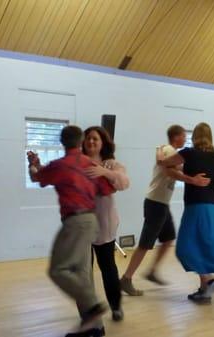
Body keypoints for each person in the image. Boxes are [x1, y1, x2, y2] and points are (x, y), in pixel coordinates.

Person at [27, 126, 115, 337]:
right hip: (91, 221)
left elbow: (36, 178)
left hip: (75, 222)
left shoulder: (59, 165)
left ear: (61, 142)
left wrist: (33, 165)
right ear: (81, 141)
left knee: (58, 270)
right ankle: (94, 328)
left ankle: (93, 307)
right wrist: (105, 171)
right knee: (82, 274)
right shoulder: (89, 164)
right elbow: (108, 189)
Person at [120, 125, 209, 296]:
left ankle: (152, 270)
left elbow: (179, 168)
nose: (186, 139)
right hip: (155, 203)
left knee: (168, 238)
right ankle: (126, 278)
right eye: (184, 136)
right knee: (145, 243)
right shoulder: (168, 149)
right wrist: (192, 180)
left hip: (162, 204)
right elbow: (170, 172)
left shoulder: (169, 152)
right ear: (176, 137)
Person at [157, 122, 214, 304]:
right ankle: (205, 291)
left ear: (194, 137)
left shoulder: (188, 153)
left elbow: (164, 163)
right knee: (203, 246)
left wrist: (160, 154)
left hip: (196, 207)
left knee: (185, 247)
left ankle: (209, 280)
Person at [81, 126, 129, 322]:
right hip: (81, 225)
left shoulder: (111, 164)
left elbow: (124, 183)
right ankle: (90, 309)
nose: (91, 142)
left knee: (107, 266)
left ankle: (116, 306)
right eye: (88, 139)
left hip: (104, 224)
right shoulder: (78, 163)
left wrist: (103, 172)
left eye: (95, 139)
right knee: (84, 270)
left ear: (102, 143)